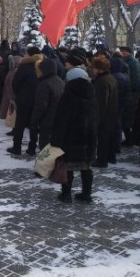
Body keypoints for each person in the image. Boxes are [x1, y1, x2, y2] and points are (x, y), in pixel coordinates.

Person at [50, 67, 98, 203]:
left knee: (67, 166)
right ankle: (86, 194)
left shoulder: (68, 95)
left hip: (70, 138)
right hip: (88, 137)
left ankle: (66, 195)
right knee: (86, 167)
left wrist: (56, 141)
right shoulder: (91, 93)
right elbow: (96, 117)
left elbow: (61, 121)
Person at [9, 46, 44, 156]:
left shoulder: (24, 67)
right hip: (37, 99)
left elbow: (15, 83)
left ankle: (17, 148)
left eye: (26, 53)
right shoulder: (42, 65)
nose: (24, 55)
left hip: (24, 99)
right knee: (33, 125)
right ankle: (32, 148)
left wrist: (18, 94)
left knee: (20, 124)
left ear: (29, 55)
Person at [30, 58, 65, 150]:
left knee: (45, 147)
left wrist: (34, 121)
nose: (36, 72)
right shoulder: (60, 81)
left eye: (38, 70)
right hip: (59, 118)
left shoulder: (44, 84)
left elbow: (41, 106)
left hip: (48, 120)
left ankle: (46, 163)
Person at [91, 56, 119, 168]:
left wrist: (97, 118)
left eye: (94, 67)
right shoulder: (111, 77)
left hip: (104, 114)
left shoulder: (101, 82)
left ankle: (102, 160)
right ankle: (111, 157)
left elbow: (101, 102)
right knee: (110, 137)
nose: (92, 70)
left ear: (98, 69)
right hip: (113, 112)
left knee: (102, 138)